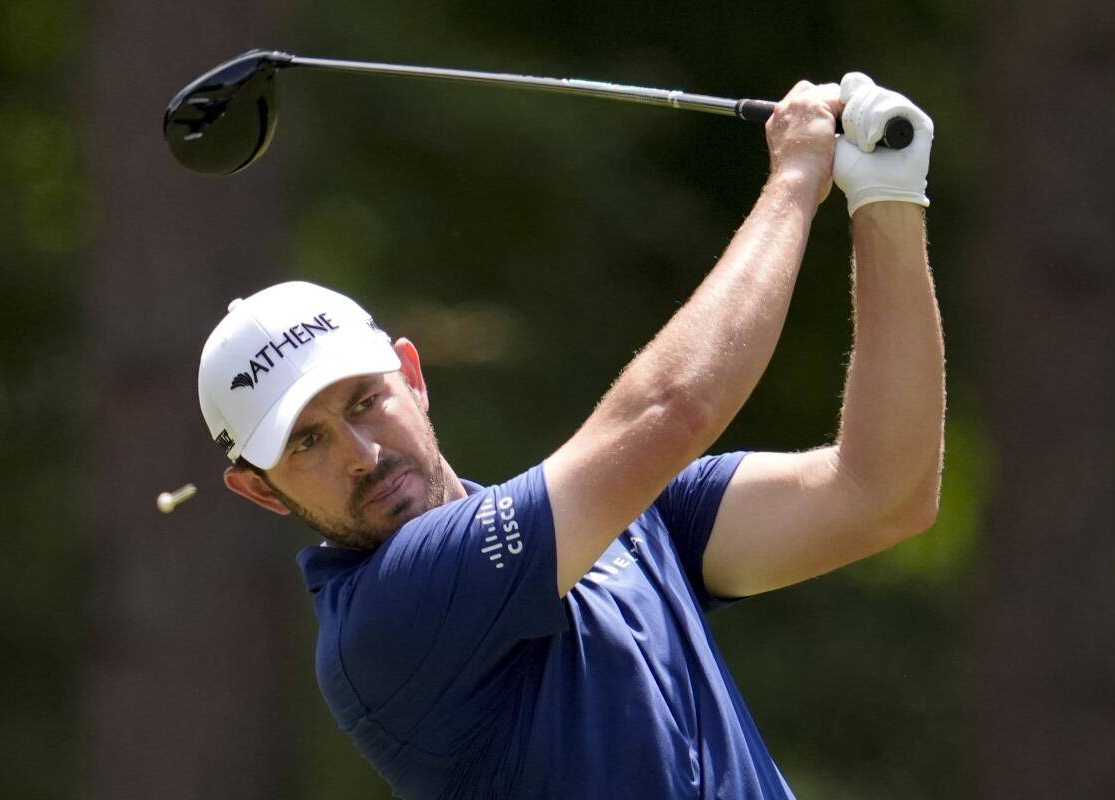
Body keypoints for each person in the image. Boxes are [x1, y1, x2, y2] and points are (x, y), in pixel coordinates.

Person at [196, 73, 944, 799]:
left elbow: (882, 493)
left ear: (412, 376)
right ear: (259, 489)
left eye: (364, 401)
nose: (360, 455)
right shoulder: (387, 622)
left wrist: (888, 202)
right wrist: (794, 181)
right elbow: (672, 409)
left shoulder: (621, 518)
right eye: (306, 443)